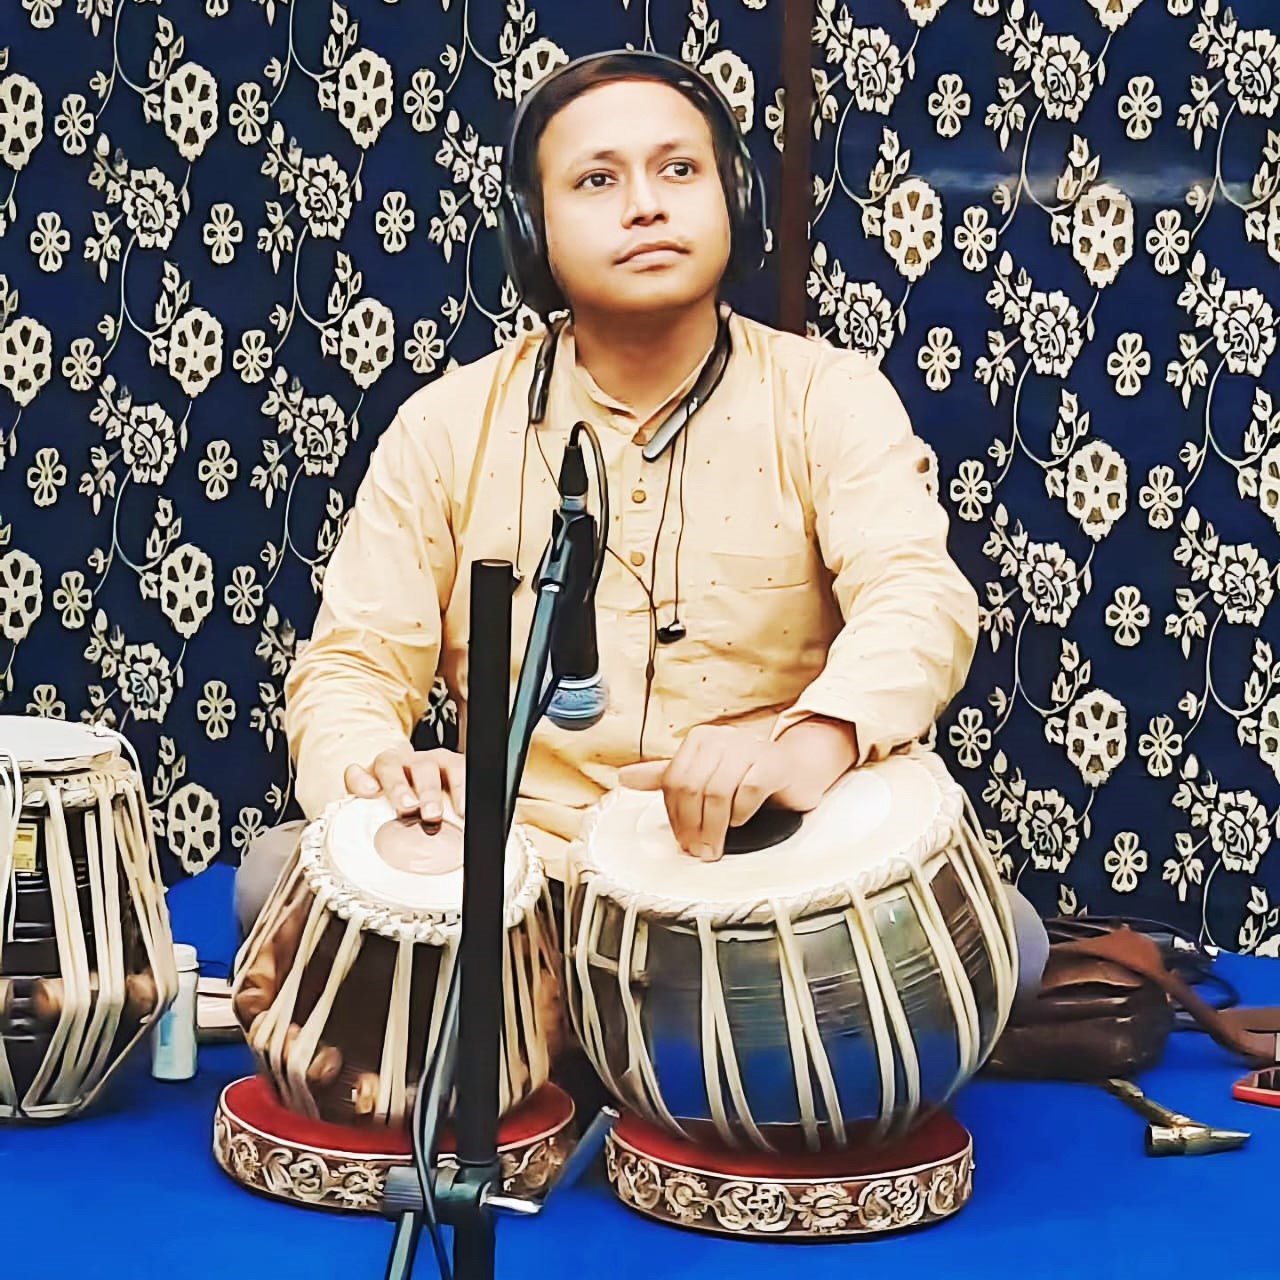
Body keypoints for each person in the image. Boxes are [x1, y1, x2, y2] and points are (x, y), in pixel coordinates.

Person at [236, 50, 1047, 999]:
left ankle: (557, 1027)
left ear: (734, 200)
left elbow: (917, 601)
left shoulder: (829, 398)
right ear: (534, 234)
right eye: (596, 181)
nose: (645, 206)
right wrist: (380, 774)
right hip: (521, 862)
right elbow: (353, 663)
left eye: (679, 170)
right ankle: (601, 1011)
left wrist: (805, 743)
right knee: (273, 879)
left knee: (1011, 946)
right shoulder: (448, 425)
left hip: (767, 855)